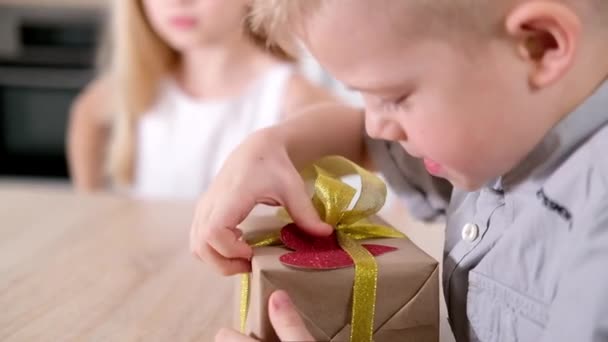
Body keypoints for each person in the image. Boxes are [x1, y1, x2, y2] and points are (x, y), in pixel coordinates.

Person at [190, 0, 608, 341]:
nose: (376, 124)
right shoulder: (512, 131)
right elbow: (362, 138)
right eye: (366, 98)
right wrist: (274, 145)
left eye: (394, 96)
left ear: (541, 45)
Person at [67, 0, 336, 199]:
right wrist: (92, 200)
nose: (178, 3)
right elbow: (86, 116)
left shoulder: (290, 96)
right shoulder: (140, 86)